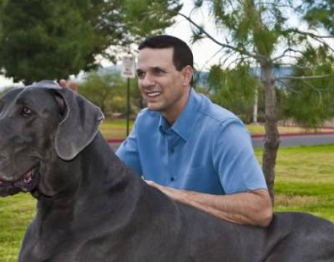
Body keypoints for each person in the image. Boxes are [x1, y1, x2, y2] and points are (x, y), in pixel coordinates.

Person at [114, 35, 272, 227]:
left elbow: (260, 210)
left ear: (186, 76)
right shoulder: (145, 122)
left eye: (158, 72)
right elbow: (110, 180)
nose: (146, 82)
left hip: (216, 249)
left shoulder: (224, 129)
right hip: (161, 245)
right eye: (141, 74)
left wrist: (173, 196)